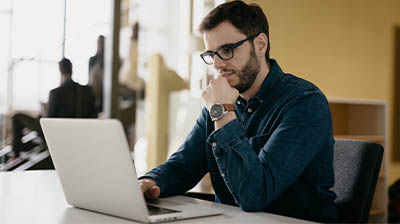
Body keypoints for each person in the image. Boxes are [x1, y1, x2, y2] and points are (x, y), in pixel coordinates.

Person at [139, 1, 337, 222]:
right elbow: (184, 165)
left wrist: (223, 112)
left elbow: (255, 195)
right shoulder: (220, 103)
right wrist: (150, 181)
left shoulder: (305, 103)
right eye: (211, 54)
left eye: (226, 50)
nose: (216, 64)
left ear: (260, 45)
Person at [11, 58, 97, 158]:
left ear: (60, 71)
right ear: (72, 70)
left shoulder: (55, 93)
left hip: (57, 133)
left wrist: (44, 111)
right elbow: (93, 116)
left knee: (16, 117)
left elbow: (49, 120)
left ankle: (15, 154)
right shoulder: (87, 91)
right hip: (79, 134)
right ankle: (19, 151)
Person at [88, 35, 105, 113]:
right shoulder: (92, 59)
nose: (100, 44)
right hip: (94, 87)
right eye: (99, 43)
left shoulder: (108, 59)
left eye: (102, 43)